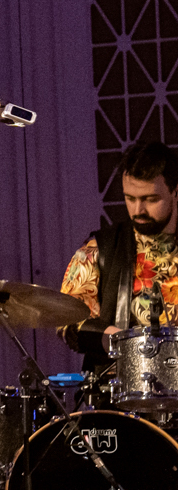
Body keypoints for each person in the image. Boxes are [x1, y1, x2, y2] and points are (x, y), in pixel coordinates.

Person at [59, 141, 178, 363]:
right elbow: (65, 319)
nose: (138, 210)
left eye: (151, 199)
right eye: (130, 198)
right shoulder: (98, 249)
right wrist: (113, 338)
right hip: (119, 378)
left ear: (175, 191)